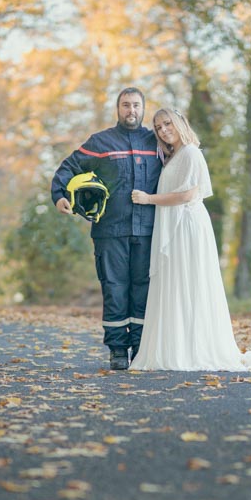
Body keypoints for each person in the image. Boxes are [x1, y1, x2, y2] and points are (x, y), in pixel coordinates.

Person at [129, 108, 251, 372]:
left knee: (188, 284)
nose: (163, 130)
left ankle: (193, 351)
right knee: (176, 285)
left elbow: (186, 195)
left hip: (186, 226)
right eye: (158, 127)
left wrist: (148, 199)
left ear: (180, 123)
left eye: (167, 123)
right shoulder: (173, 156)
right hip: (175, 224)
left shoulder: (191, 153)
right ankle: (174, 348)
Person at [51, 87, 162, 370]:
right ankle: (117, 349)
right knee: (114, 289)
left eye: (136, 105)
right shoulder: (101, 142)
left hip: (148, 230)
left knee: (143, 290)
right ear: (118, 108)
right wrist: (60, 195)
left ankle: (139, 348)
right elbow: (68, 168)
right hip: (109, 231)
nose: (131, 110)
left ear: (144, 108)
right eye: (126, 105)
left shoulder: (155, 141)